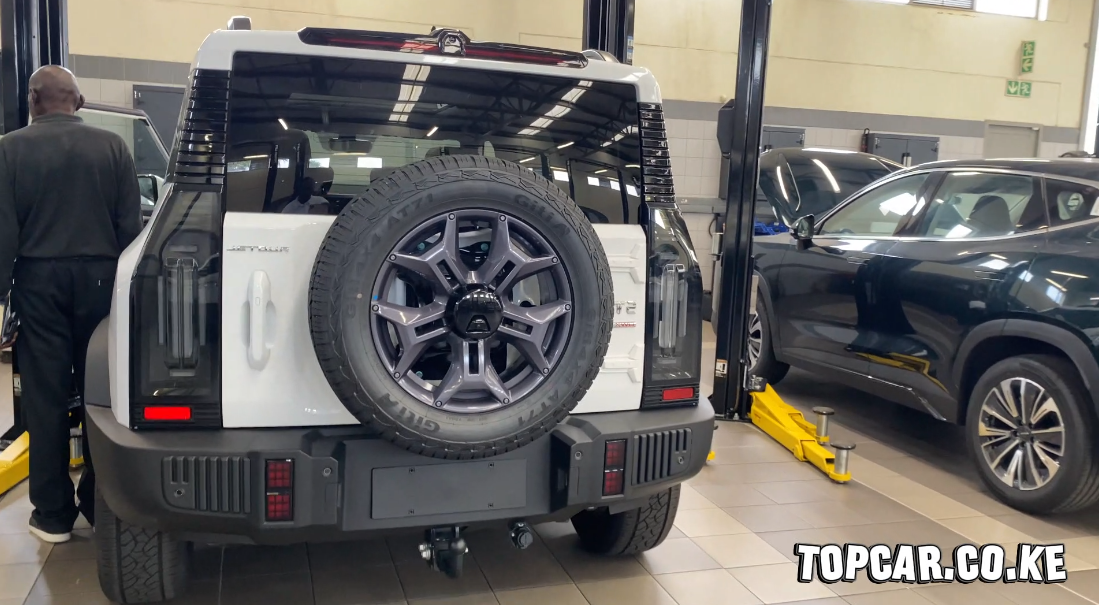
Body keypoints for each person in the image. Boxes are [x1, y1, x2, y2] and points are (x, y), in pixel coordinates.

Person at [0, 65, 143, 543]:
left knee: (44, 398)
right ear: (78, 101)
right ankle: (101, 504)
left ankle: (53, 514)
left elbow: (3, 234)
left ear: (32, 99)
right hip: (102, 281)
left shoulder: (9, 149)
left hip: (38, 281)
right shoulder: (113, 147)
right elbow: (130, 228)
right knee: (101, 393)